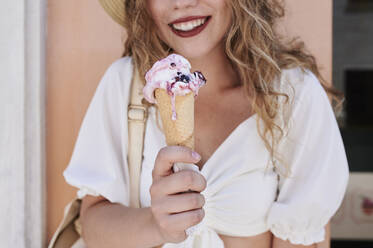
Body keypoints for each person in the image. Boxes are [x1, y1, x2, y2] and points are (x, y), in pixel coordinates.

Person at [63, 0, 349, 247]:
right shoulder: (125, 84)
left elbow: (297, 241)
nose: (182, 3)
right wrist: (156, 224)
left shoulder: (293, 94)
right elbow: (93, 226)